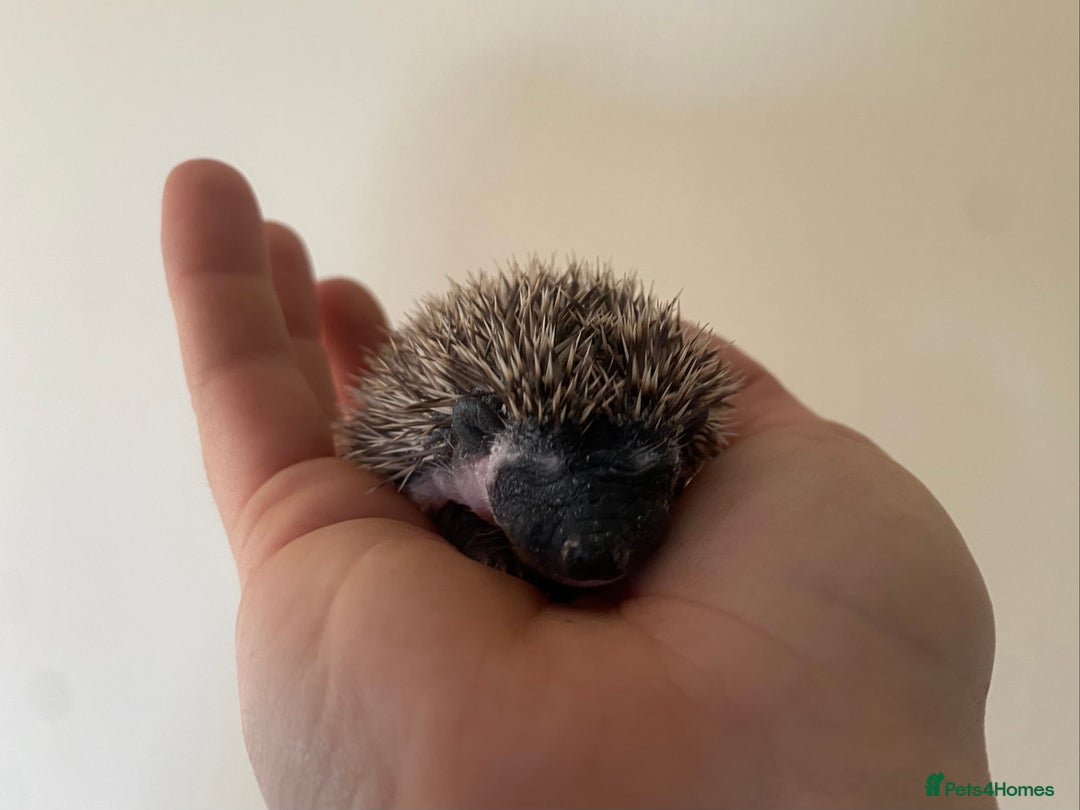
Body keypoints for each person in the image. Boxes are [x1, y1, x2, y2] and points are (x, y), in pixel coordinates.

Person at [161, 159, 996, 808]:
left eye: (646, 483)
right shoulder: (438, 443)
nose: (598, 549)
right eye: (545, 486)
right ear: (474, 444)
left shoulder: (683, 424)